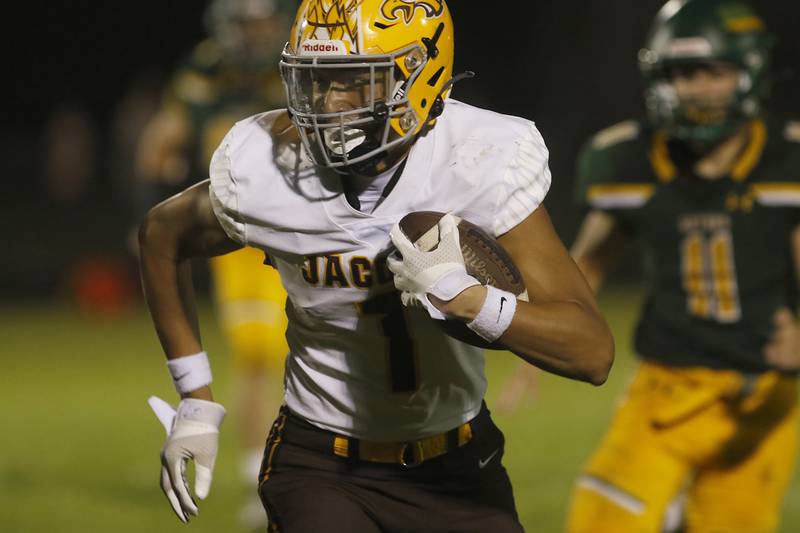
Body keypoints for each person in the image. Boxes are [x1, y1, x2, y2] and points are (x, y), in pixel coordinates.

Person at [140, 1, 614, 531]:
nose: (328, 103)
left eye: (353, 81)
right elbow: (161, 235)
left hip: (456, 460)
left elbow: (591, 352)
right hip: (320, 461)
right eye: (317, 80)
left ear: (419, 74)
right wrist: (196, 400)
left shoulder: (477, 159)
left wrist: (473, 302)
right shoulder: (268, 167)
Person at [562, 1, 800, 532]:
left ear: (750, 71)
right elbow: (585, 266)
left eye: (714, 72)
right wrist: (537, 332)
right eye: (683, 74)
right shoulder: (628, 158)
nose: (696, 89)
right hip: (666, 388)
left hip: (764, 396)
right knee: (599, 524)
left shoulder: (786, 159)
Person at [134, 0, 291, 527]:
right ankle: (260, 478)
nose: (257, 33)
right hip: (242, 237)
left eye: (263, 22)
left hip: (308, 229)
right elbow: (157, 147)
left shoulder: (299, 61)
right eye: (247, 24)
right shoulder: (205, 70)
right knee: (257, 354)